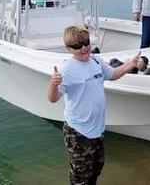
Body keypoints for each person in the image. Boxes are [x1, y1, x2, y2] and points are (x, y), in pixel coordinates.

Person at [47, 26, 140, 185]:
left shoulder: (96, 60)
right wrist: (53, 84)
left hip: (97, 130)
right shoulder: (67, 70)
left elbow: (112, 74)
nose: (83, 48)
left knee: (96, 169)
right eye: (77, 46)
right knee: (80, 178)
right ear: (69, 49)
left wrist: (131, 64)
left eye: (86, 43)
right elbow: (53, 99)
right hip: (78, 132)